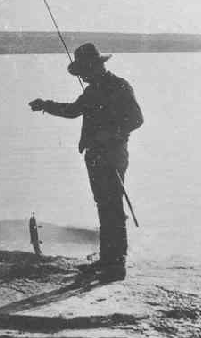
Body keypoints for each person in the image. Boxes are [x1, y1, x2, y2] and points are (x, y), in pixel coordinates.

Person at [29, 43, 143, 282]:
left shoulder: (120, 86)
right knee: (104, 205)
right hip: (94, 156)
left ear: (95, 66)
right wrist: (45, 105)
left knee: (112, 207)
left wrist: (110, 134)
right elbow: (73, 111)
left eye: (84, 70)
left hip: (113, 154)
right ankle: (107, 260)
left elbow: (136, 119)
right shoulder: (92, 91)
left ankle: (116, 264)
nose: (81, 75)